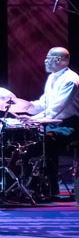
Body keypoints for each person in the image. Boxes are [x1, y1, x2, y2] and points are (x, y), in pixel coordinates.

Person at [22, 47, 79, 197]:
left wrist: (33, 120)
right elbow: (44, 104)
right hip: (54, 122)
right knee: (25, 140)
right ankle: (25, 183)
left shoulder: (71, 80)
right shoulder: (53, 77)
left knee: (47, 139)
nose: (45, 61)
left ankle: (50, 187)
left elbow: (56, 109)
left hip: (69, 125)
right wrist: (24, 107)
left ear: (59, 60)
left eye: (48, 58)